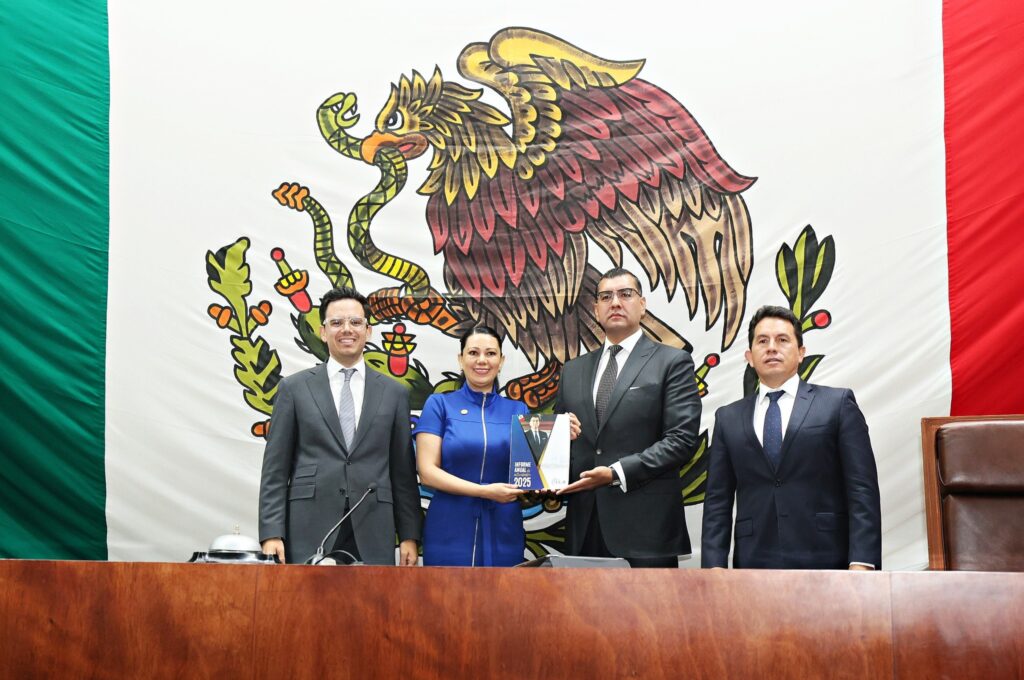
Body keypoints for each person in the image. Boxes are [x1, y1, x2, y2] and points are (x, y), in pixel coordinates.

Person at [701, 305, 882, 570]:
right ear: (749, 357)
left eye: (782, 340)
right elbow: (717, 501)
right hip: (754, 562)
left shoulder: (837, 404)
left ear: (801, 353)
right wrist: (713, 569)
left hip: (827, 559)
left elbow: (862, 489)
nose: (772, 348)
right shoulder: (728, 418)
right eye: (762, 341)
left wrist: (862, 562)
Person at [258, 287, 421, 566]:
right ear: (323, 332)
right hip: (309, 525)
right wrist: (272, 533)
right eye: (336, 322)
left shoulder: (394, 393)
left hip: (373, 524)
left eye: (355, 322)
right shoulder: (294, 388)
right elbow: (275, 469)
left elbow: (403, 473)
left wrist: (409, 535)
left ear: (368, 331)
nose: (347, 329)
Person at [554, 268, 702, 568]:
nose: (615, 302)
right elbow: (558, 448)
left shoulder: (672, 362)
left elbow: (681, 440)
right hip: (585, 529)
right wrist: (557, 438)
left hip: (647, 531)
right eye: (606, 297)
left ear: (642, 304)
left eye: (625, 294)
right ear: (596, 309)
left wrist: (616, 473)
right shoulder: (572, 371)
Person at [415, 326, 576, 566]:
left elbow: (531, 474)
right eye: (473, 353)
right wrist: (484, 491)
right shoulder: (439, 404)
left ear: (501, 361)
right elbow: (427, 473)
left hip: (503, 526)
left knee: (503, 590)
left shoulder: (518, 410)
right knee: (446, 590)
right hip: (448, 525)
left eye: (490, 353)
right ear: (460, 359)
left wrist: (561, 437)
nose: (482, 360)